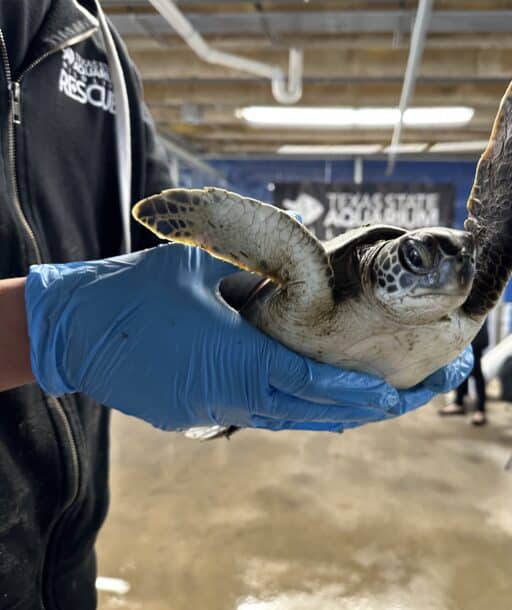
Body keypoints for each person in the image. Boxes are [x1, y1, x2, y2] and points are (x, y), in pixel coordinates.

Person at [0, 1, 472, 607]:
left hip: (61, 560)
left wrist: (223, 384)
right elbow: (226, 245)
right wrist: (47, 329)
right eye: (413, 260)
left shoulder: (99, 48)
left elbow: (178, 255)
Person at [438, 321, 489, 425]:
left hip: (475, 335)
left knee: (476, 372)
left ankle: (480, 410)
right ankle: (459, 403)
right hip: (464, 335)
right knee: (461, 368)